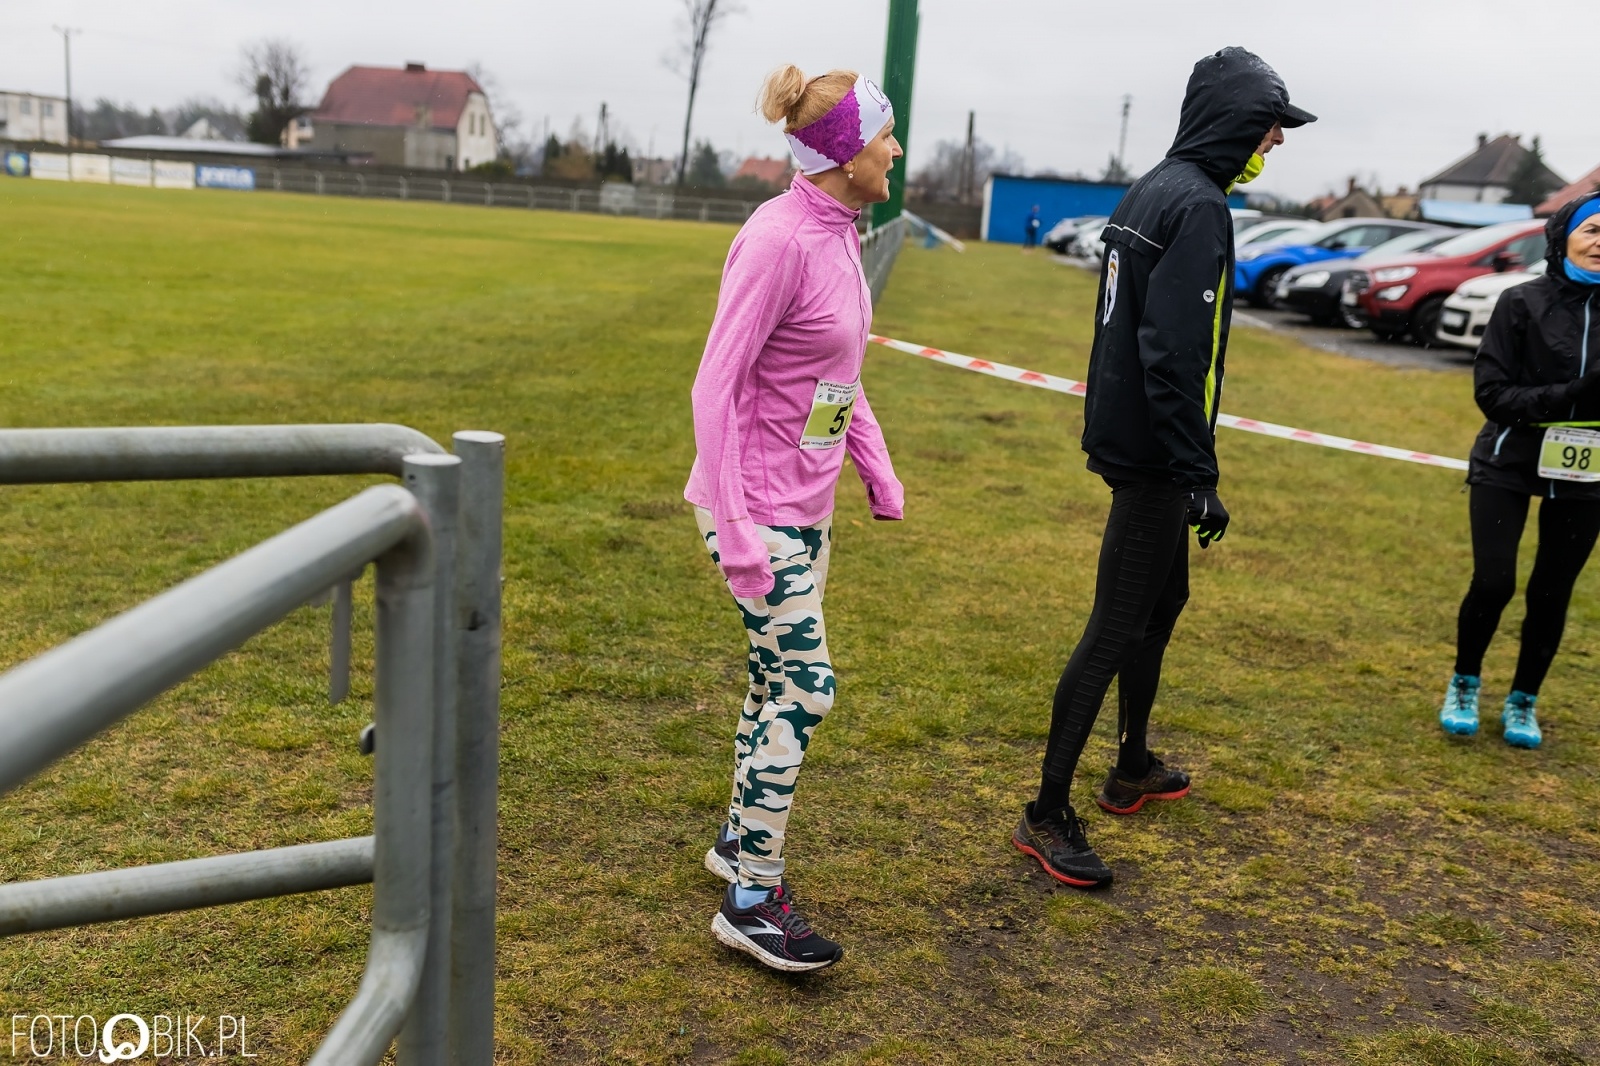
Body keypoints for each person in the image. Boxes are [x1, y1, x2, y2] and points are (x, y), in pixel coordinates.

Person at [1013, 47, 1315, 889]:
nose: (1276, 144)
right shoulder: (1199, 206)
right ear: (1231, 122)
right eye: (1270, 127)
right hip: (1153, 452)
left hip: (1132, 437)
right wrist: (1196, 472)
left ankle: (1132, 764)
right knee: (1114, 626)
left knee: (1162, 600)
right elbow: (1172, 353)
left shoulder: (1155, 186)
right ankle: (1045, 814)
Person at [685, 64, 905, 971]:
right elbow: (714, 386)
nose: (896, 150)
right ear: (847, 152)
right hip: (754, 510)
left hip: (804, 509)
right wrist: (737, 531)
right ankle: (752, 899)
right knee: (808, 687)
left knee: (771, 682)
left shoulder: (842, 233)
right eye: (886, 136)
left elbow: (834, 380)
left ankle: (739, 844)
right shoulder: (777, 239)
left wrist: (874, 469)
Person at [1438, 191, 1600, 748]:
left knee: (1552, 592)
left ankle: (1523, 699)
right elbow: (1494, 395)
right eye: (1593, 230)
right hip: (1509, 457)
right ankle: (1465, 682)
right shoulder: (1520, 301)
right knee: (1494, 581)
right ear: (1564, 237)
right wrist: (1575, 394)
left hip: (1586, 472)